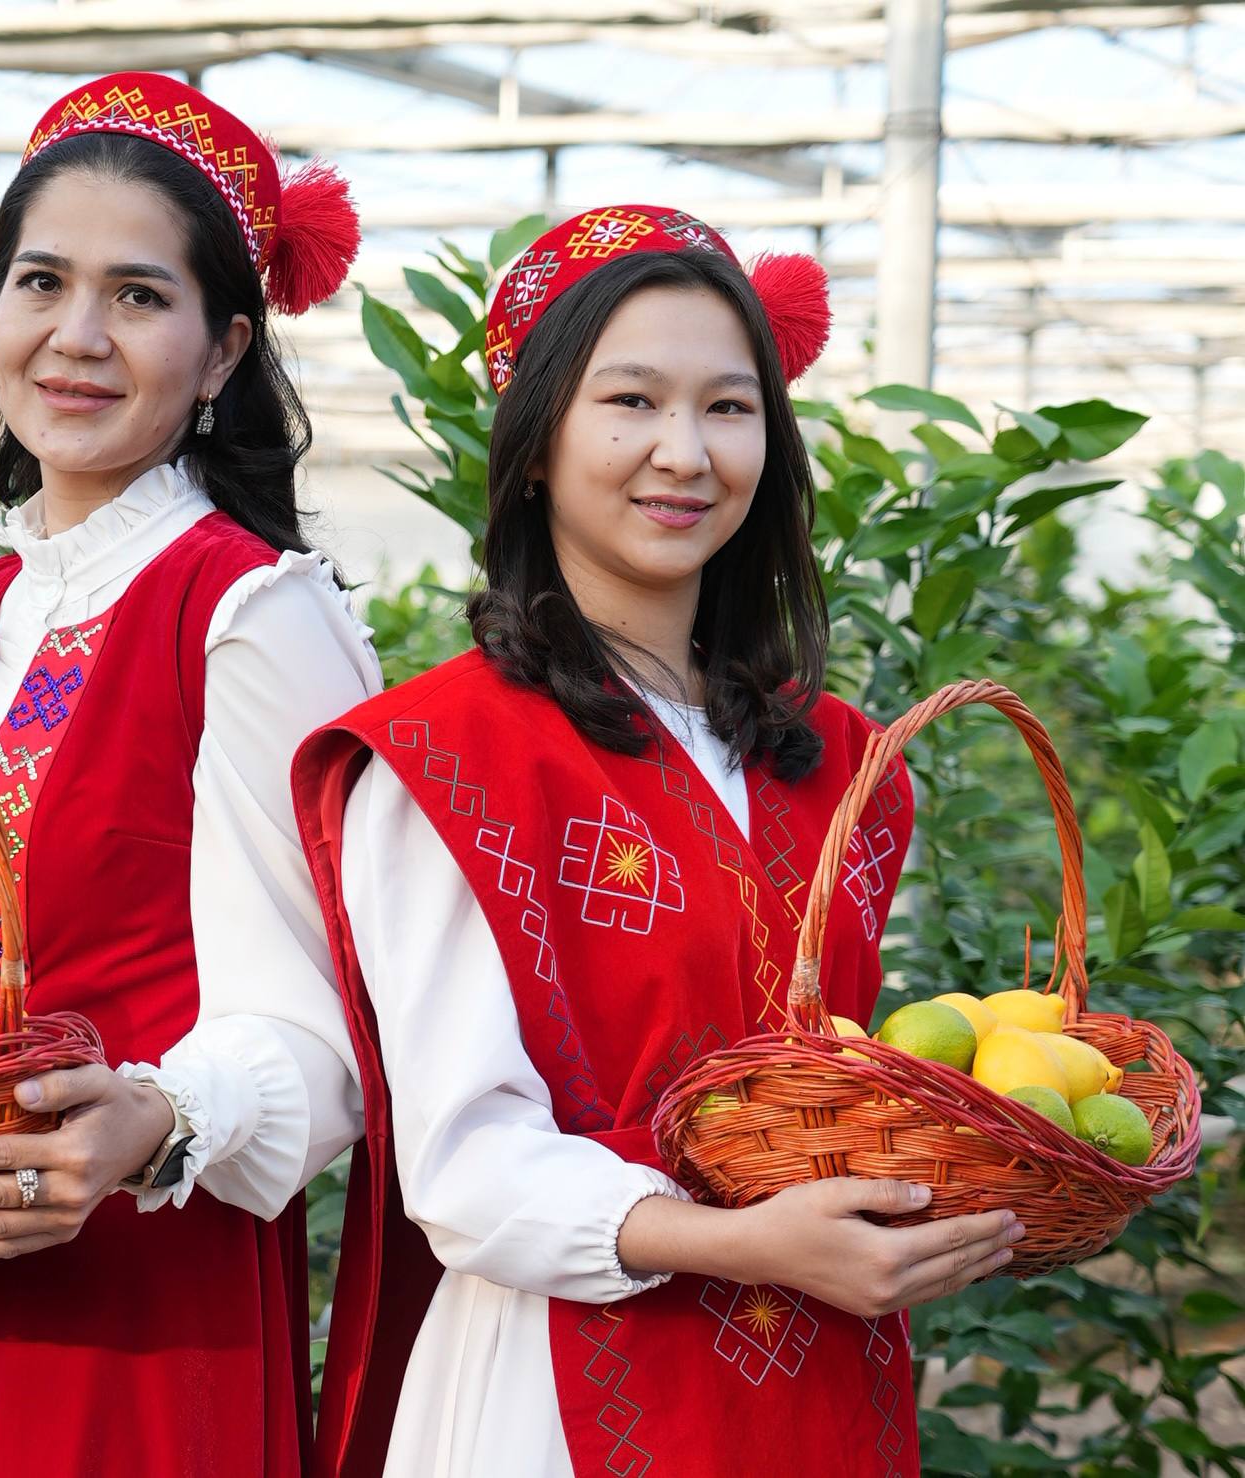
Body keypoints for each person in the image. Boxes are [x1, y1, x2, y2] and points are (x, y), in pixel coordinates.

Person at [290, 205, 1028, 1478]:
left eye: (729, 408)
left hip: (830, 1362)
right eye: (630, 399)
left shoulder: (842, 759)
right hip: (559, 1386)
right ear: (535, 446)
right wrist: (750, 1242)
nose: (684, 452)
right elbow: (466, 1168)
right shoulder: (449, 758)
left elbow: (843, 1076)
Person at [0, 73, 377, 1478]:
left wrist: (161, 1120)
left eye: (139, 296)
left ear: (220, 354)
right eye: (41, 282)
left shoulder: (251, 613)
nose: (75, 337)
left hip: (143, 1307)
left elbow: (338, 1031)